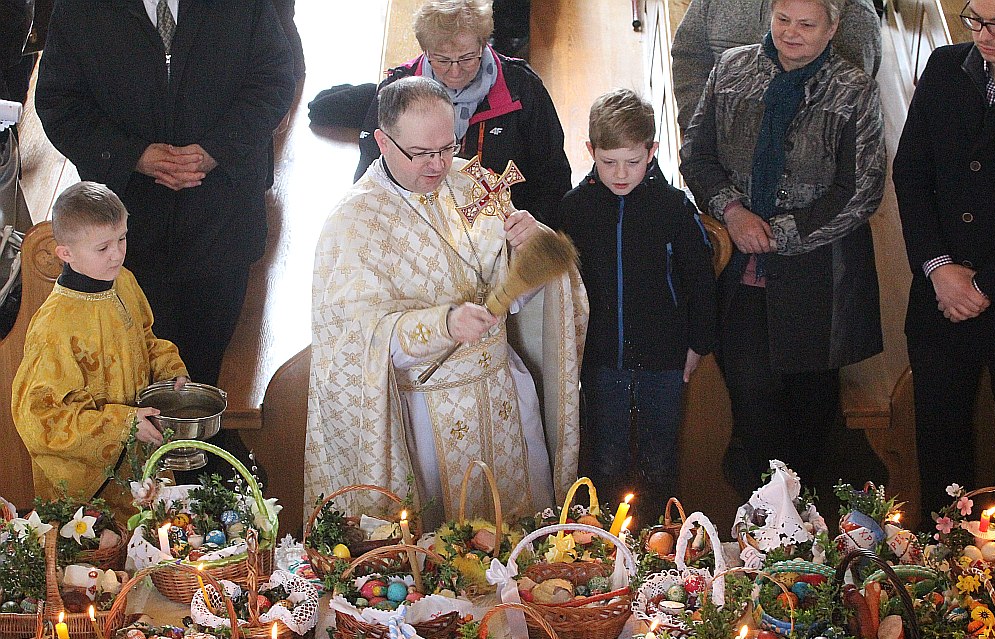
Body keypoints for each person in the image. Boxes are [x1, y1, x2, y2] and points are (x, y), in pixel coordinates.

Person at [304, 77, 587, 528]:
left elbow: (522, 299)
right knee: (444, 557)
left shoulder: (476, 182)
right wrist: (445, 325)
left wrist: (531, 249)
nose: (439, 165)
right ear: (382, 142)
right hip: (425, 417)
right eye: (422, 153)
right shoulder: (352, 224)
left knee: (520, 548)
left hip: (503, 399)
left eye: (447, 146)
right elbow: (355, 346)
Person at [34, 0, 295, 391]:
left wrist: (216, 150)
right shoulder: (80, 9)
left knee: (204, 370)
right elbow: (60, 103)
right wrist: (132, 155)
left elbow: (273, 80)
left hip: (222, 220)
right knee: (130, 371)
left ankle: (199, 441)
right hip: (127, 230)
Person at [680, 0, 886, 487]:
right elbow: (696, 152)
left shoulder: (853, 91)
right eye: (782, 20)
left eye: (807, 24)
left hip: (819, 277)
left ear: (834, 27)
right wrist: (732, 210)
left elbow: (862, 190)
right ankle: (756, 515)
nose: (791, 34)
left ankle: (803, 530)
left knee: (809, 405)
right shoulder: (732, 68)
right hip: (741, 269)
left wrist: (776, 234)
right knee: (749, 393)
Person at [557, 89, 716, 525]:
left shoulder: (674, 208)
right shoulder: (575, 209)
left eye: (632, 161)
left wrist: (699, 343)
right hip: (602, 359)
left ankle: (660, 544)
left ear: (653, 150)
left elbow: (700, 279)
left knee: (659, 459)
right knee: (604, 458)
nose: (621, 173)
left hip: (665, 359)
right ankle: (606, 543)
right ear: (590, 151)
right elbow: (564, 287)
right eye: (609, 162)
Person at [892, 0, 995, 522]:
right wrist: (939, 268)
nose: (984, 35)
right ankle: (944, 576)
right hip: (939, 300)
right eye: (974, 19)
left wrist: (986, 284)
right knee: (941, 448)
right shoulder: (946, 67)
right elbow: (911, 173)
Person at [12, 182, 187, 517]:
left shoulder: (124, 281)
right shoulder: (54, 327)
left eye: (121, 238)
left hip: (142, 455)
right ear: (66, 252)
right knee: (102, 566)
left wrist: (170, 371)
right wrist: (122, 424)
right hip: (91, 486)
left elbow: (146, 337)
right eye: (103, 247)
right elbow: (40, 419)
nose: (117, 254)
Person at [352, 0, 570, 225]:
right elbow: (371, 173)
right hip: (417, 231)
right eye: (442, 59)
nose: (455, 71)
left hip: (504, 233)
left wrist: (534, 227)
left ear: (483, 44)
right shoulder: (396, 89)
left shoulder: (522, 89)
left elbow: (553, 176)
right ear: (425, 51)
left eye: (467, 57)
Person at [671, 0, 881, 131]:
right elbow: (690, 56)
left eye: (806, 25)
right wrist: (702, 128)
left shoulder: (855, 16)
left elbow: (846, 105)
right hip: (718, 143)